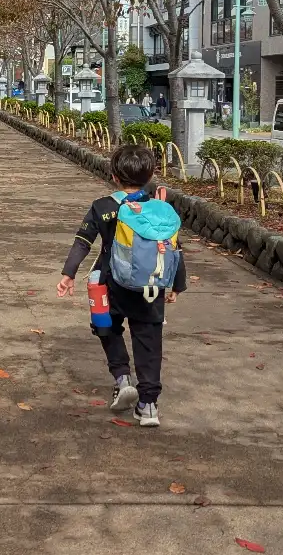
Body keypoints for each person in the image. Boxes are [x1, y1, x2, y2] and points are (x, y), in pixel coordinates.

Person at [56, 145, 186, 428]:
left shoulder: (103, 207)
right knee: (149, 341)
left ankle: (122, 377)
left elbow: (83, 242)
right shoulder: (160, 210)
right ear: (151, 175)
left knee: (106, 328)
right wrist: (177, 284)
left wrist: (69, 274)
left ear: (114, 176)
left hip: (107, 284)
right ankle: (148, 404)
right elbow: (174, 248)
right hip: (152, 286)